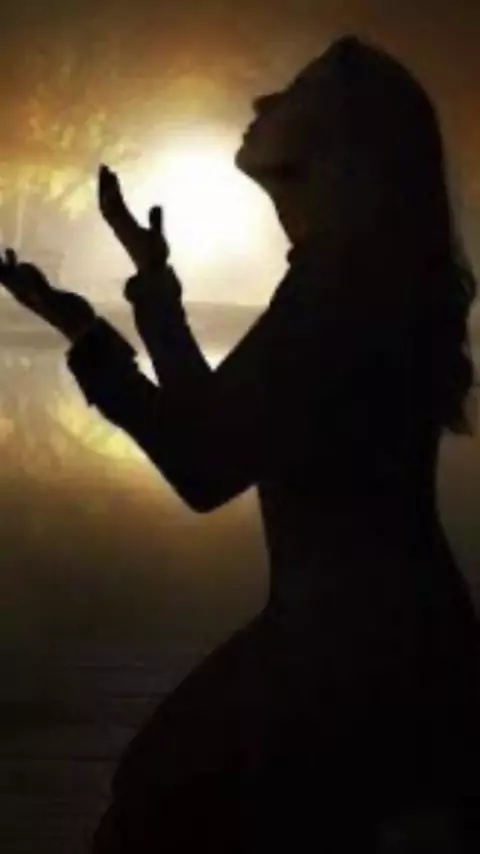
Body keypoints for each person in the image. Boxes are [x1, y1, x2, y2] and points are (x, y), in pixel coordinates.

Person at [1, 34, 479, 852]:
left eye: (296, 93)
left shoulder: (337, 289)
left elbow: (203, 465)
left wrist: (99, 331)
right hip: (377, 638)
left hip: (356, 653)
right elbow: (215, 428)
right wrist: (139, 292)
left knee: (154, 808)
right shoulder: (345, 277)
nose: (264, 103)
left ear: (338, 146)